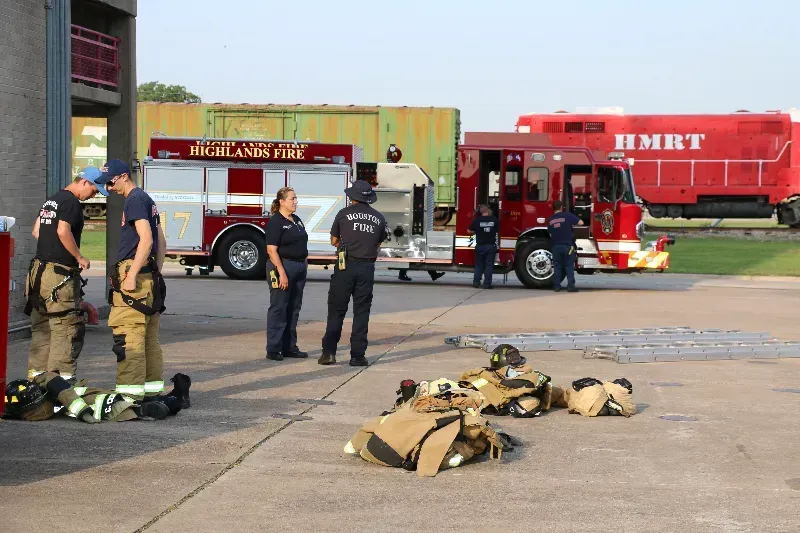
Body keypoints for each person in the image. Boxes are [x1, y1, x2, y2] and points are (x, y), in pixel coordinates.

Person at [90, 159, 168, 403]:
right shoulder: (146, 199)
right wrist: (155, 271)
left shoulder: (134, 200)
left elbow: (146, 239)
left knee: (129, 338)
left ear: (124, 176)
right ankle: (152, 392)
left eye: (111, 183)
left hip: (135, 277)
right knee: (149, 340)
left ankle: (129, 398)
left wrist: (132, 274)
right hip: (150, 277)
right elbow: (161, 241)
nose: (110, 189)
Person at [25, 167, 106, 383]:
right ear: (84, 182)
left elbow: (36, 231)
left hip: (38, 274)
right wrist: (79, 257)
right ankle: (60, 386)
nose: (94, 195)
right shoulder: (71, 202)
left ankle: (36, 382)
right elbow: (63, 231)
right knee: (65, 330)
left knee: (42, 329)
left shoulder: (51, 200)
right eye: (94, 190)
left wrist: (50, 248)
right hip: (58, 277)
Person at [319, 180, 389, 367]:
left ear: (353, 197)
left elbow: (334, 240)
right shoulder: (379, 218)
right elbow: (378, 243)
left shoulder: (343, 214)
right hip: (366, 268)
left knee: (336, 310)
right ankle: (357, 356)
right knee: (361, 312)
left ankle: (329, 354)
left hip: (345, 266)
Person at [265, 187, 309, 361]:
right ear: (282, 201)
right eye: (292, 198)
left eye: (296, 198)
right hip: (283, 266)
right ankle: (274, 349)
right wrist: (281, 272)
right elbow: (271, 250)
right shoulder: (276, 222)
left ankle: (289, 346)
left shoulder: (296, 220)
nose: (295, 201)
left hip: (298, 267)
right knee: (279, 307)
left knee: (293, 308)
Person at [547, 200, 583, 292]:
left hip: (556, 247)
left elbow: (550, 234)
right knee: (569, 266)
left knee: (557, 267)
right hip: (567, 246)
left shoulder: (550, 220)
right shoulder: (567, 216)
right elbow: (581, 223)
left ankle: (557, 287)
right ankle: (570, 286)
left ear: (553, 208)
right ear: (561, 207)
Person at [467, 204, 499, 289]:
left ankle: (476, 282)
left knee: (479, 265)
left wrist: (474, 232)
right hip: (490, 246)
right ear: (488, 210)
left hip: (480, 246)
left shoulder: (477, 220)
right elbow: (499, 229)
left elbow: (468, 230)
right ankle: (487, 284)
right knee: (489, 265)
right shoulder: (494, 220)